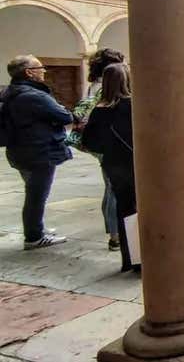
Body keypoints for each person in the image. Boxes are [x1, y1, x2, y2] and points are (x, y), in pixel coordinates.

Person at [0, 55, 71, 250]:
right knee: (36, 196)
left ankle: (37, 230)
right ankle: (34, 237)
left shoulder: (9, 93)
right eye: (40, 67)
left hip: (19, 151)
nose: (43, 71)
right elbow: (64, 116)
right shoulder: (34, 96)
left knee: (33, 193)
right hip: (40, 151)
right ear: (29, 72)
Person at [82, 64, 139, 272]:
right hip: (135, 162)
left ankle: (129, 259)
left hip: (113, 164)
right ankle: (142, 257)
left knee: (124, 210)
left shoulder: (99, 109)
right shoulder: (133, 105)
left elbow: (89, 141)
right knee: (140, 210)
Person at [75, 48, 124, 252]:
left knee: (110, 186)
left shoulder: (93, 86)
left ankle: (113, 230)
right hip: (111, 143)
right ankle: (115, 236)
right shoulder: (106, 88)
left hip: (101, 143)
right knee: (115, 189)